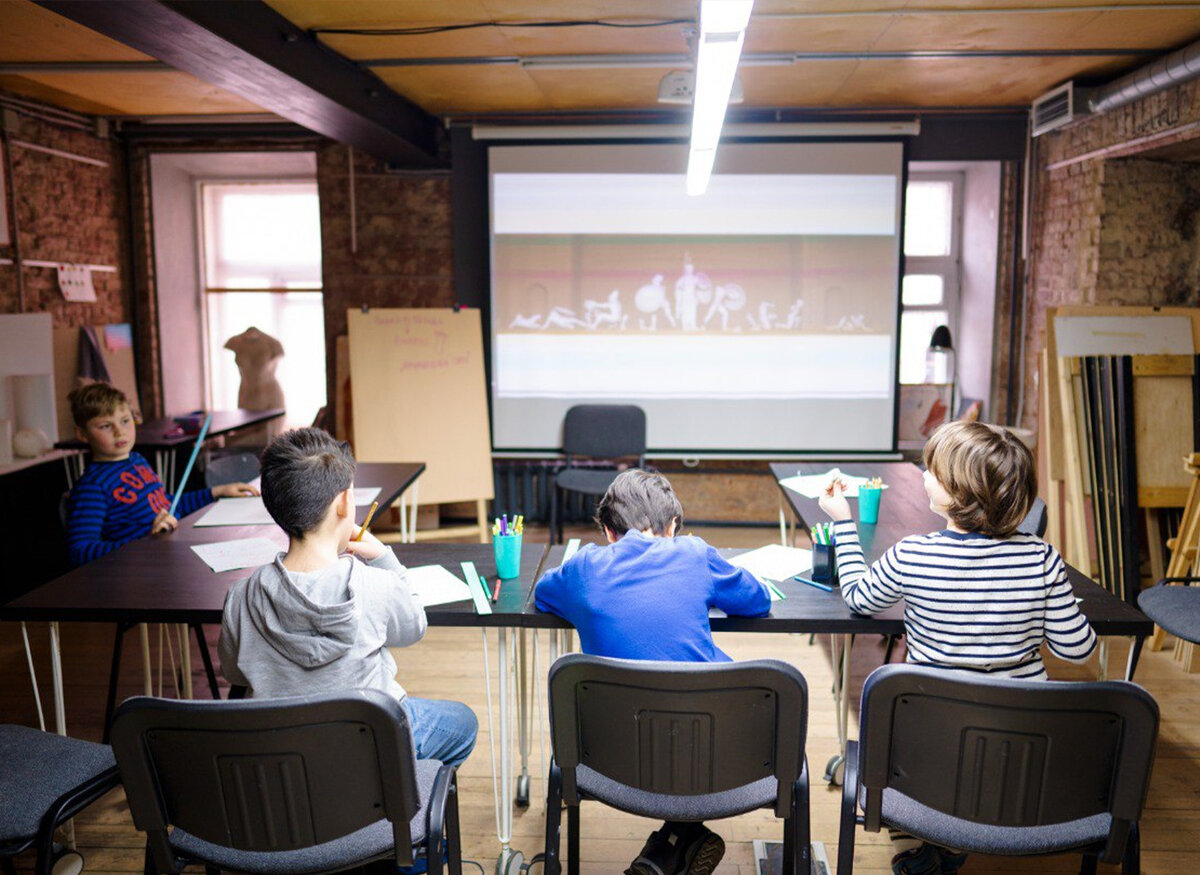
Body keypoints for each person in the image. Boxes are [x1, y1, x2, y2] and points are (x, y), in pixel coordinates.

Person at [819, 420, 1097, 875]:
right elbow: (1077, 650)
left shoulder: (912, 554)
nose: (923, 474)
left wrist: (843, 524)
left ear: (956, 492)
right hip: (1020, 751)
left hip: (928, 751)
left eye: (931, 469)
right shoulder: (1041, 558)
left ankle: (932, 841)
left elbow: (859, 598)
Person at [535, 469, 771, 875]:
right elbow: (757, 601)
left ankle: (670, 847)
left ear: (608, 532)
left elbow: (543, 594)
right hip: (719, 754)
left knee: (657, 703)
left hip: (614, 756)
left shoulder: (585, 568)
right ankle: (676, 841)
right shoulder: (695, 554)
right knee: (702, 691)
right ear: (674, 525)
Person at [218, 427, 477, 771]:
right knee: (463, 724)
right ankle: (390, 804)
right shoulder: (376, 585)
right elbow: (414, 625)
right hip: (368, 743)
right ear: (343, 503)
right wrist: (385, 557)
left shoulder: (240, 597)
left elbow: (235, 672)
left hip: (281, 755)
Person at [65, 382, 257, 566]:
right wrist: (145, 539)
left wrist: (216, 492)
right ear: (82, 434)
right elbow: (81, 552)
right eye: (106, 426)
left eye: (125, 421)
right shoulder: (92, 487)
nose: (119, 432)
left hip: (164, 554)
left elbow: (166, 504)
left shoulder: (137, 460)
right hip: (136, 573)